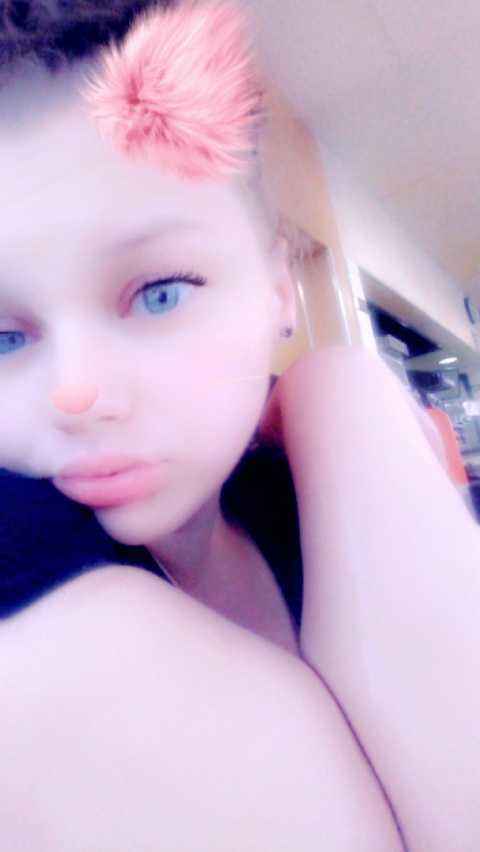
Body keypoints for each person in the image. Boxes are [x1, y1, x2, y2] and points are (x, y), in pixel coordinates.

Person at [0, 1, 477, 850]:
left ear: (279, 291)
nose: (75, 392)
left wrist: (343, 392)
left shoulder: (307, 497)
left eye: (159, 293)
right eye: (2, 338)